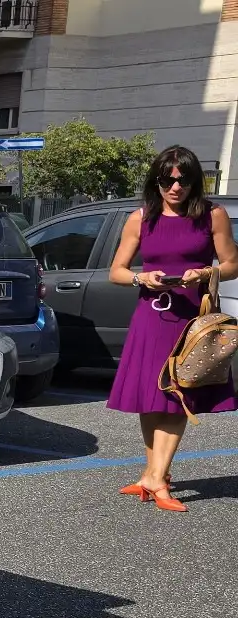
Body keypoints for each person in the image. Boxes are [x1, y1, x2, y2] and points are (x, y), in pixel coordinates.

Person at [105, 145, 238, 512]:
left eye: (183, 180)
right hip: (152, 314)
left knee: (180, 393)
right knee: (152, 397)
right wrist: (141, 278)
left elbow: (232, 264)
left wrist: (205, 272)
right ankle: (152, 475)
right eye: (167, 179)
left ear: (195, 181)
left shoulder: (213, 216)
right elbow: (115, 271)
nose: (175, 187)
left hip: (191, 320)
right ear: (157, 181)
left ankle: (157, 477)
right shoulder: (141, 218)